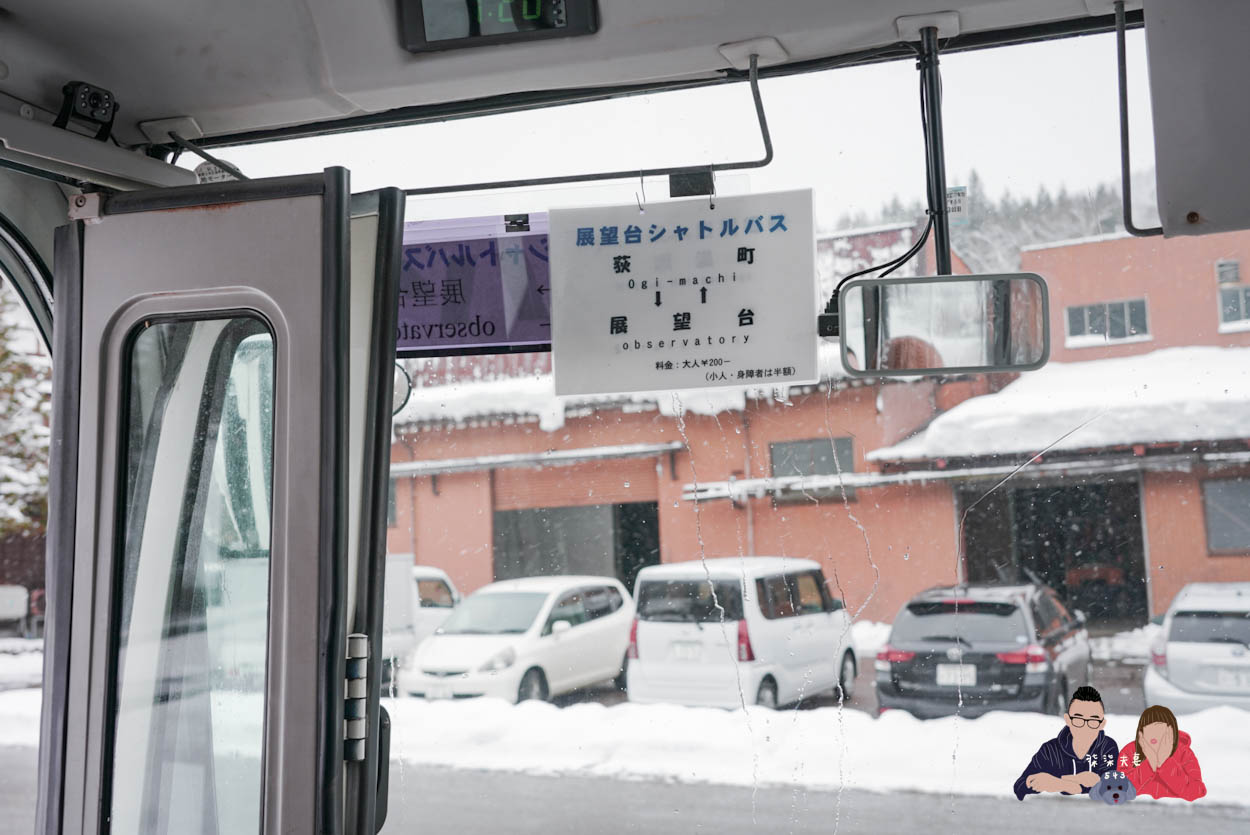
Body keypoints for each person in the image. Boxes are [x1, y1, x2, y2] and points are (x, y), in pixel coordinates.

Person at [1013, 685, 1119, 800]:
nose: (1085, 727)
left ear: (1102, 724)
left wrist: (1060, 782)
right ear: (1068, 720)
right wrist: (1069, 784)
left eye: (1093, 721)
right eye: (1078, 720)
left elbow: (1113, 787)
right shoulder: (1050, 750)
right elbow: (1020, 787)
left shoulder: (1107, 747)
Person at [1117, 705, 1206, 801]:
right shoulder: (1130, 751)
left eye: (1159, 728)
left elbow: (1195, 792)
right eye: (1148, 728)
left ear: (1171, 731)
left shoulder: (1184, 753)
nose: (1153, 734)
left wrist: (1165, 762)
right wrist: (1149, 764)